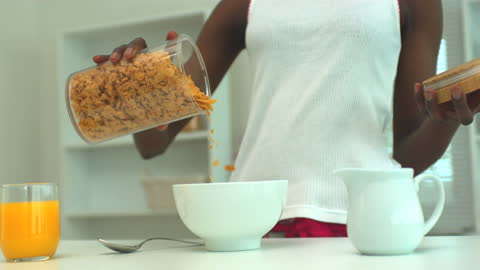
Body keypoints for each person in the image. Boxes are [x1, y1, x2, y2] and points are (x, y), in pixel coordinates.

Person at [92, 0, 480, 238]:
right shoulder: (245, 3)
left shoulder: (415, 2)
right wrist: (134, 86)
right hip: (250, 223)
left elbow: (406, 157)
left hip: (362, 223)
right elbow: (153, 143)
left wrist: (445, 119)